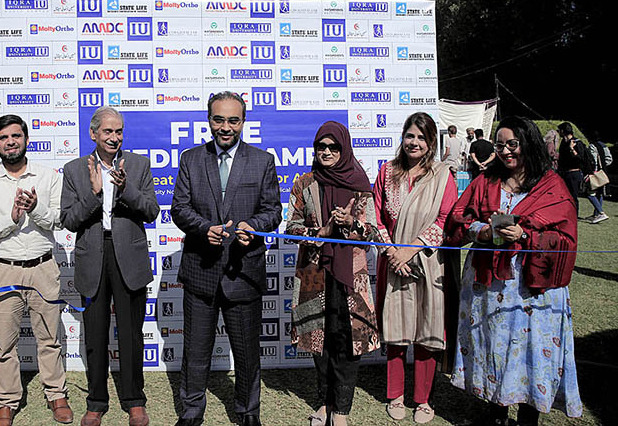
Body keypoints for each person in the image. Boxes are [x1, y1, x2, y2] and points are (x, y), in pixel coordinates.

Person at [445, 116, 582, 425]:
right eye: (500, 145)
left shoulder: (552, 185)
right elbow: (459, 218)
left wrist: (525, 236)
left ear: (528, 144)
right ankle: (496, 413)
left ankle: (528, 417)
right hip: (489, 286)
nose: (506, 151)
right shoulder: (486, 181)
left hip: (532, 290)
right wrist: (481, 230)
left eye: (512, 144)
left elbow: (566, 239)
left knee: (530, 348)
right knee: (492, 343)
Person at [171, 91, 282, 426]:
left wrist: (255, 227)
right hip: (200, 272)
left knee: (247, 354)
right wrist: (204, 229)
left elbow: (273, 211)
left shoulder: (262, 160)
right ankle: (191, 413)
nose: (225, 127)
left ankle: (248, 414)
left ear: (243, 121)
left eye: (233, 120)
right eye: (219, 119)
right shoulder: (191, 159)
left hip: (242, 271)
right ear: (209, 120)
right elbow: (180, 208)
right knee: (195, 352)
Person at [0, 115, 72, 426]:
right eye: (3, 138)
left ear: (26, 139)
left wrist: (35, 209)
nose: (10, 142)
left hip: (43, 268)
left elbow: (60, 219)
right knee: (4, 343)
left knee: (49, 338)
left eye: (15, 136)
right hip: (2, 271)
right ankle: (7, 402)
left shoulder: (48, 176)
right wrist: (11, 218)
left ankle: (56, 394)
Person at [60, 106, 159, 426]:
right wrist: (94, 192)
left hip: (128, 257)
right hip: (93, 256)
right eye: (107, 131)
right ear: (93, 134)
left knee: (131, 335)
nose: (114, 137)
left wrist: (126, 187)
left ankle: (134, 400)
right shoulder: (74, 169)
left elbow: (151, 211)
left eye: (118, 131)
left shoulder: (139, 165)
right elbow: (69, 219)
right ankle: (96, 401)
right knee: (95, 335)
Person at [286, 121, 380, 426]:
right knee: (319, 338)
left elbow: (373, 233)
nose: (326, 152)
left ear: (344, 148)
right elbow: (292, 228)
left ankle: (341, 408)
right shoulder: (304, 183)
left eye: (333, 147)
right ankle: (324, 403)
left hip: (350, 276)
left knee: (346, 340)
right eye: (321, 147)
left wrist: (353, 224)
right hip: (313, 272)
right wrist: (322, 231)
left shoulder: (360, 183)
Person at [373, 112, 457, 424]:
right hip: (393, 261)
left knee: (427, 330)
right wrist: (393, 252)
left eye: (421, 137)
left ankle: (423, 400)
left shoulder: (441, 176)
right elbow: (375, 216)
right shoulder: (388, 172)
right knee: (396, 331)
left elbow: (445, 218)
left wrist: (410, 250)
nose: (414, 143)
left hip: (428, 261)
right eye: (410, 136)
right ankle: (394, 394)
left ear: (431, 142)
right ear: (403, 138)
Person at [557, 122, 593, 217]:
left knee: (573, 196)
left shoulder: (577, 142)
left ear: (563, 131)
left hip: (574, 173)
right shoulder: (563, 143)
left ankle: (574, 215)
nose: (558, 132)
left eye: (559, 130)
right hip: (564, 173)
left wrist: (572, 149)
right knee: (563, 196)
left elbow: (580, 159)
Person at [585, 131, 611, 223]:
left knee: (590, 193)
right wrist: (603, 166)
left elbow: (593, 159)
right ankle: (596, 214)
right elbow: (609, 159)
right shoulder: (603, 145)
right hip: (603, 172)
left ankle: (600, 213)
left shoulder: (592, 146)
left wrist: (593, 170)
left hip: (595, 172)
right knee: (600, 193)